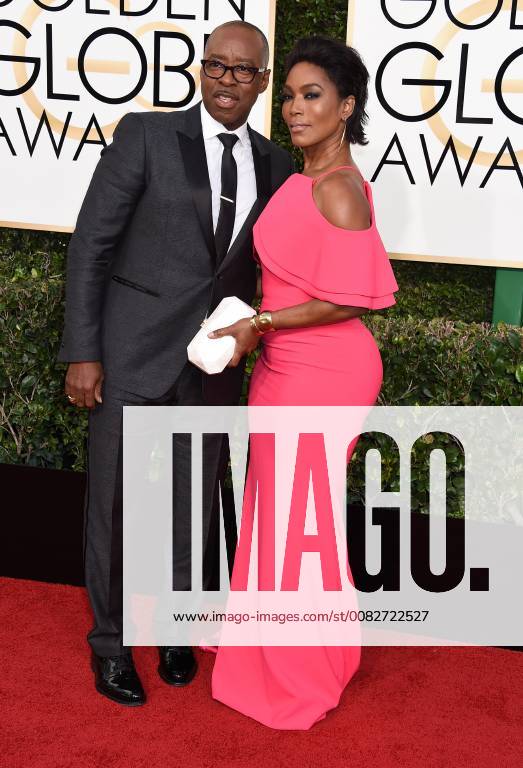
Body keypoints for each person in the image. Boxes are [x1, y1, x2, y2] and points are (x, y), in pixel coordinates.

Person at [58, 21, 294, 707]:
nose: (228, 79)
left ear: (261, 80)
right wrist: (84, 349)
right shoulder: (145, 136)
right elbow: (90, 246)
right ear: (200, 72)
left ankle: (176, 631)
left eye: (243, 70)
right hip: (129, 351)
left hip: (212, 364)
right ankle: (109, 645)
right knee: (112, 506)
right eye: (217, 66)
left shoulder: (276, 166)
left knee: (193, 508)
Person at [207, 36, 398, 729]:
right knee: (278, 517)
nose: (293, 108)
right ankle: (273, 648)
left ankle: (300, 672)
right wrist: (259, 327)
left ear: (346, 106)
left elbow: (355, 297)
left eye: (311, 95)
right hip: (282, 366)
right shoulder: (298, 178)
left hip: (325, 371)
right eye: (287, 95)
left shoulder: (342, 188)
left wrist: (260, 319)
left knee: (299, 524)